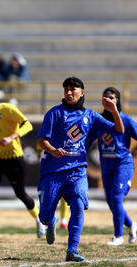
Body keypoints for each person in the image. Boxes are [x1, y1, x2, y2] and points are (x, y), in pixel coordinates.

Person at [37, 77, 124, 262]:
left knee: (78, 205)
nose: (69, 93)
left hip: (77, 170)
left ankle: (72, 250)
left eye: (73, 89)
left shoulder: (90, 116)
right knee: (44, 216)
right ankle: (50, 222)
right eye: (66, 90)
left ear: (82, 92)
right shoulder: (54, 113)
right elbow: (41, 141)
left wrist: (114, 111)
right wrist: (53, 150)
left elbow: (119, 130)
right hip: (53, 171)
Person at [0, 82, 44, 238]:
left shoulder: (8, 109)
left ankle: (40, 220)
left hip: (14, 159)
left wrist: (11, 137)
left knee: (20, 193)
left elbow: (27, 124)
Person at [85, 87, 137, 246]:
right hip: (106, 167)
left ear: (117, 101)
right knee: (111, 202)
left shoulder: (126, 120)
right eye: (105, 97)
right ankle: (132, 225)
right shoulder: (98, 121)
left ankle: (118, 237)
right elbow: (87, 142)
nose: (108, 100)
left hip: (123, 165)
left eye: (112, 98)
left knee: (116, 197)